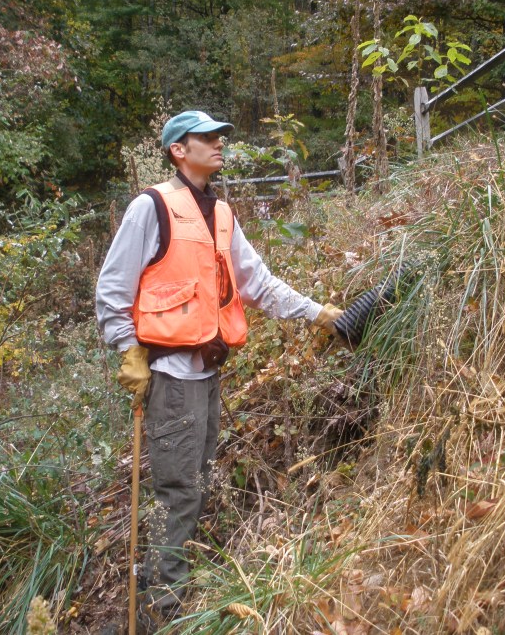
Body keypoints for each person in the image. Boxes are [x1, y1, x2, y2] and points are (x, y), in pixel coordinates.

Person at [95, 110, 342, 632]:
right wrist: (128, 350)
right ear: (177, 150)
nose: (218, 144)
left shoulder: (222, 215)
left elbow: (259, 284)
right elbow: (113, 288)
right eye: (205, 138)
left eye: (220, 137)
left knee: (196, 483)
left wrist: (318, 312)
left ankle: (173, 590)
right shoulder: (151, 207)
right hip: (170, 377)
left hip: (208, 375)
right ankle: (163, 611)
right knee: (178, 490)